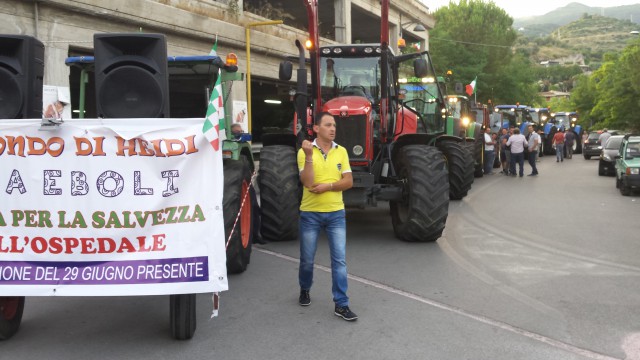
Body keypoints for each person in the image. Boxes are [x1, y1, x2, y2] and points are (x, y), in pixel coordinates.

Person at [297, 111, 357, 321]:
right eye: (328, 125)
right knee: (307, 260)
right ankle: (305, 288)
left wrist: (329, 186)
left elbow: (348, 181)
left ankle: (341, 304)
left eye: (334, 126)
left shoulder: (341, 151)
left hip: (336, 214)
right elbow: (307, 181)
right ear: (316, 129)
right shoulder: (304, 151)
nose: (333, 129)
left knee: (339, 261)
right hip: (310, 214)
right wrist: (310, 157)